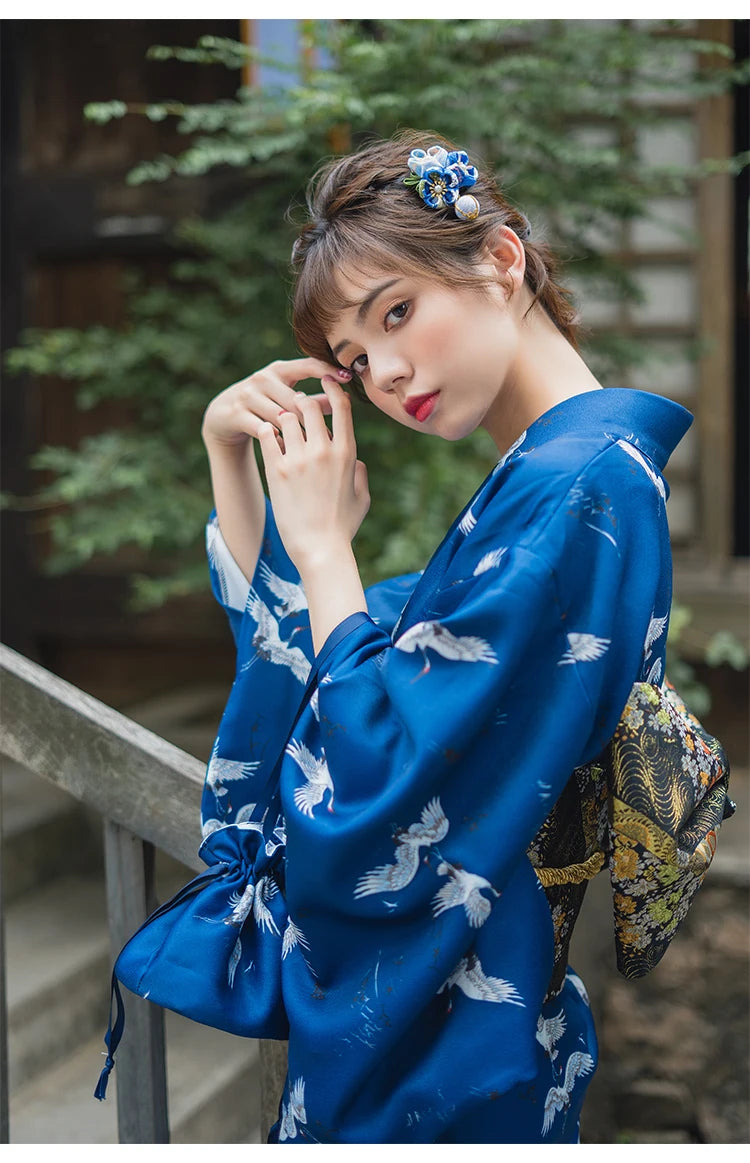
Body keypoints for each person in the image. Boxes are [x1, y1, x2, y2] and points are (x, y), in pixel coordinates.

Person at [199, 130, 695, 1144]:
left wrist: (328, 549)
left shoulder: (577, 483)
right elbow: (321, 653)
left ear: (500, 261)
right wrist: (230, 456)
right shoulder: (560, 471)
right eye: (353, 358)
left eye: (396, 312)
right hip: (466, 1030)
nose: (382, 371)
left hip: (453, 1046)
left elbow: (381, 758)